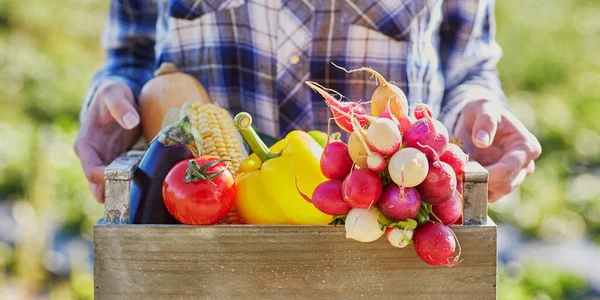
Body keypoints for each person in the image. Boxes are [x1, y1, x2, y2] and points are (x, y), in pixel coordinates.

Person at [74, 0, 541, 204]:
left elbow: (467, 62)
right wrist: (117, 95)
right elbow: (133, 50)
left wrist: (476, 105)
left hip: (387, 241)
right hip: (199, 243)